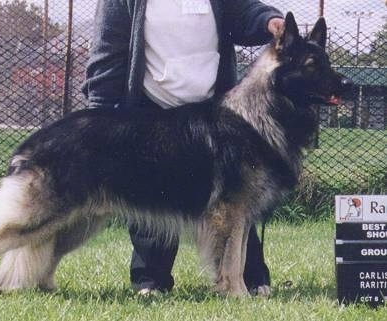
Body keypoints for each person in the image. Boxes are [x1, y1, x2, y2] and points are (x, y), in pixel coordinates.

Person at [83, 0, 284, 295]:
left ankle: (250, 279)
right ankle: (150, 281)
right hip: (152, 113)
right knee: (152, 200)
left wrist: (269, 20)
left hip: (214, 115)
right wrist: (98, 117)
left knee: (235, 199)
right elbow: (107, 52)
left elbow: (243, 11)